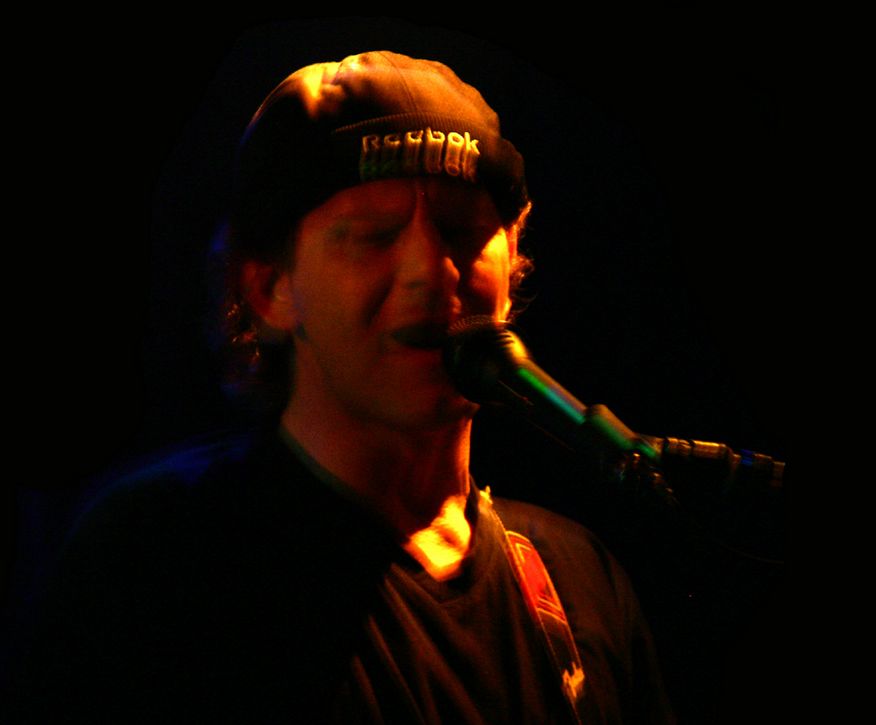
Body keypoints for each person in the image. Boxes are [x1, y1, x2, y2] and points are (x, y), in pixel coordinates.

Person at [7, 50, 674, 724]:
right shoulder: (162, 559)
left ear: (513, 265)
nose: (431, 270)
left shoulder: (577, 578)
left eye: (462, 229)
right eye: (374, 235)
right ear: (269, 287)